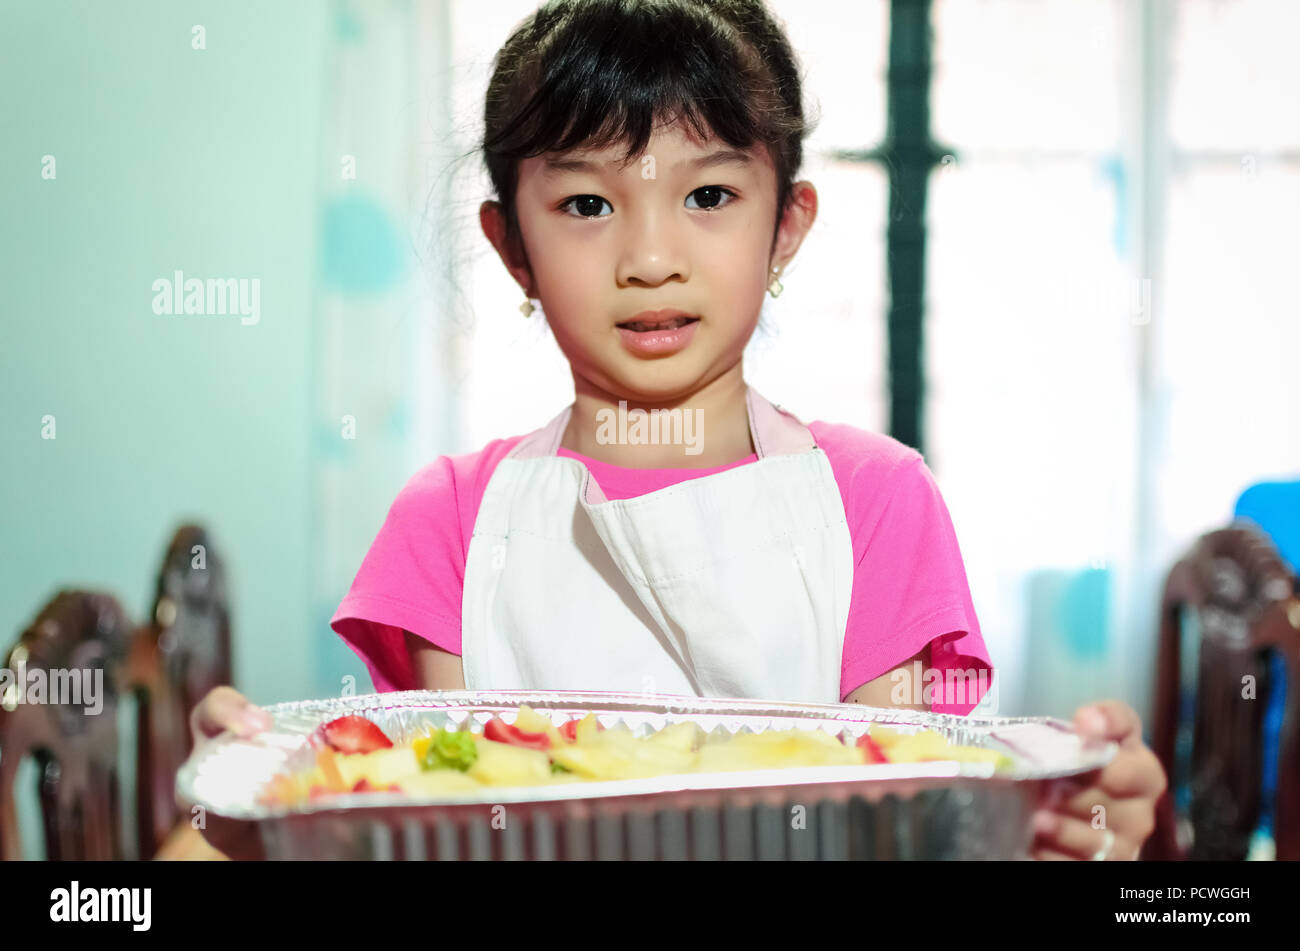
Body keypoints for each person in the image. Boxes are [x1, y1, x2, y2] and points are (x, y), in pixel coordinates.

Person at [189, 0, 1165, 861]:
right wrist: (246, 828)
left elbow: (907, 817)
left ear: (785, 225)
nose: (650, 258)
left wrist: (1062, 837)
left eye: (708, 196)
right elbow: (437, 810)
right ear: (511, 248)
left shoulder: (873, 499)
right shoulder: (450, 519)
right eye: (584, 203)